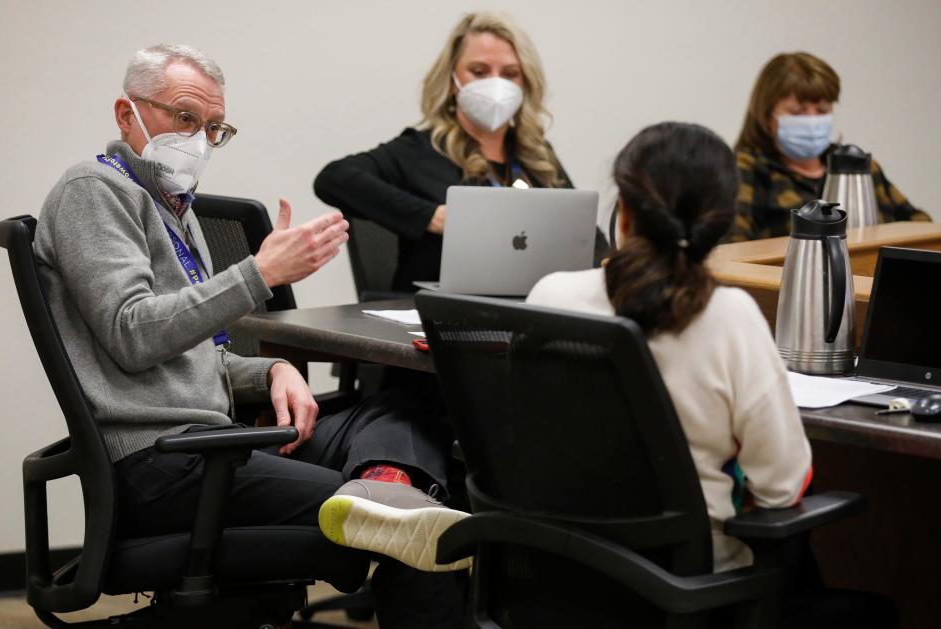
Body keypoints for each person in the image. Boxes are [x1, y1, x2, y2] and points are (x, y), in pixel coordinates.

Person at [33, 44, 469, 629]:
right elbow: (133, 334)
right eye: (185, 118)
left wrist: (269, 372)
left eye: (214, 128)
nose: (198, 139)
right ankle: (384, 506)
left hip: (216, 442)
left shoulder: (175, 209)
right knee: (421, 528)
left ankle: (381, 488)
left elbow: (188, 359)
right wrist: (259, 273)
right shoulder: (93, 189)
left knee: (402, 415)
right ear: (125, 113)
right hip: (162, 461)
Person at [527, 122, 898, 628]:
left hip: (557, 567)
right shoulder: (731, 316)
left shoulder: (551, 294)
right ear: (722, 224)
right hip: (687, 585)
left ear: (625, 214)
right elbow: (782, 488)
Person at [313, 11, 608, 292]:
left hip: (528, 311)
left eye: (510, 73)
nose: (496, 83)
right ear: (453, 80)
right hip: (436, 317)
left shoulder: (536, 155)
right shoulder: (420, 150)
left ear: (526, 82)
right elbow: (333, 178)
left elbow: (586, 236)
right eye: (479, 72)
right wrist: (433, 217)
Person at [729, 51, 930, 241]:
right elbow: (733, 247)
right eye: (798, 112)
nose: (812, 120)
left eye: (822, 110)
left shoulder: (857, 165)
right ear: (766, 115)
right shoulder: (746, 168)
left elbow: (921, 226)